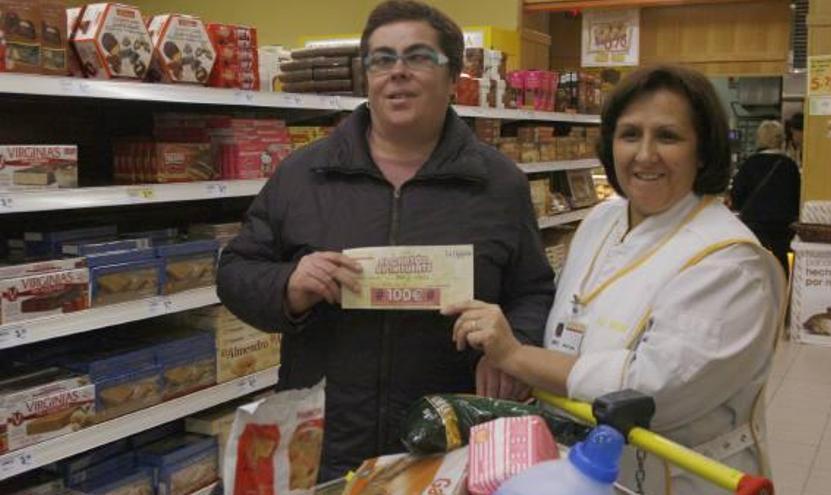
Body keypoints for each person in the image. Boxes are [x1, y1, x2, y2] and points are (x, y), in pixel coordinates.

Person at [216, 0, 555, 482]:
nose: (397, 72)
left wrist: (515, 345)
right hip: (326, 443)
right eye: (381, 59)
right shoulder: (303, 174)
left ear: (453, 75)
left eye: (418, 57)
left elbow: (534, 289)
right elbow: (235, 271)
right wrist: (289, 284)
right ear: (367, 76)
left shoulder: (498, 183)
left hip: (448, 443)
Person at [443, 65, 786, 495]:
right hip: (585, 469)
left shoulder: (731, 262)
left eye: (668, 136)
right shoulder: (603, 218)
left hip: (676, 479)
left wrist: (515, 355)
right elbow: (570, 314)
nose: (644, 155)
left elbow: (650, 393)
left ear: (702, 151)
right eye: (629, 135)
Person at [731, 120, 801, 277]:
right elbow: (797, 197)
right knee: (782, 267)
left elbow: (737, 195)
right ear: (781, 139)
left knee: (755, 266)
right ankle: (781, 295)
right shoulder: (789, 165)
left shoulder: (749, 164)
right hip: (782, 226)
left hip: (754, 223)